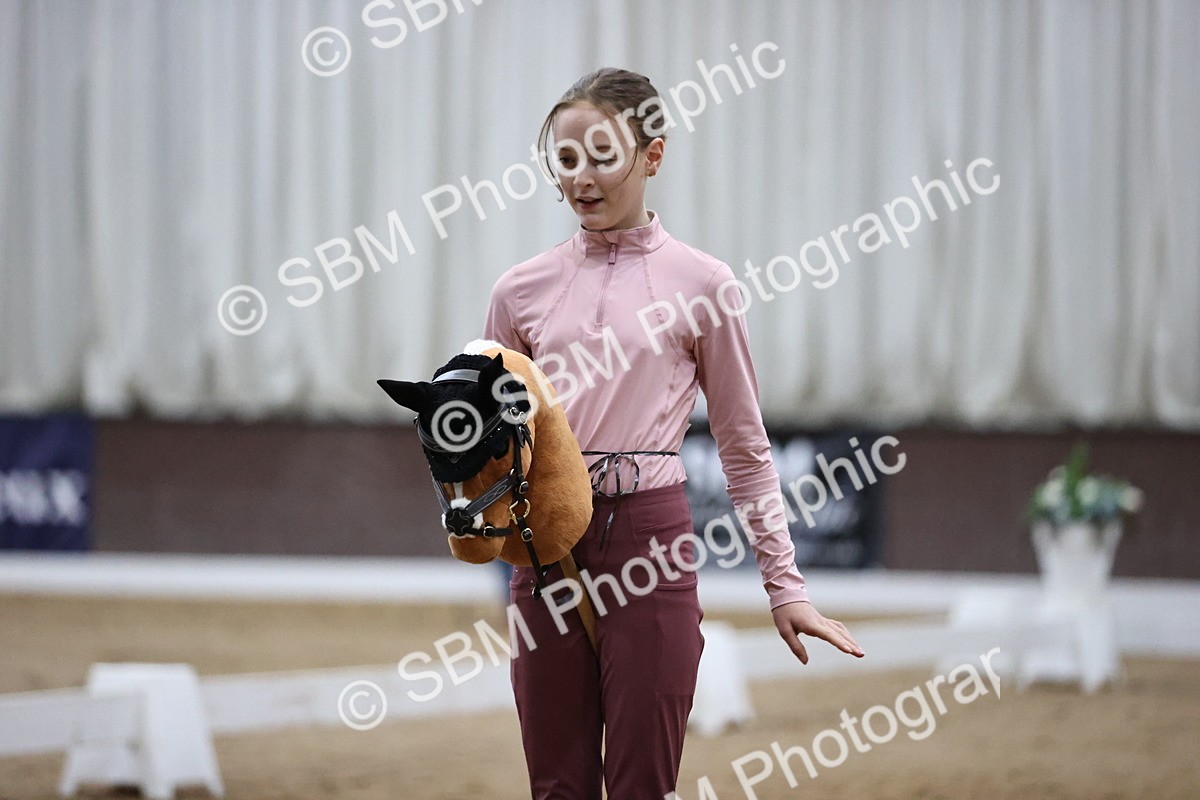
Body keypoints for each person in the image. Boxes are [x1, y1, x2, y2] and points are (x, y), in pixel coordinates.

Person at [481, 67, 864, 800]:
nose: (581, 177)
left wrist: (785, 588)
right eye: (565, 160)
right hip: (547, 546)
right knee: (557, 787)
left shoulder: (705, 284)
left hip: (651, 542)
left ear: (653, 155)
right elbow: (500, 442)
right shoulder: (516, 292)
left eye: (602, 154)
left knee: (641, 784)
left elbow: (745, 449)